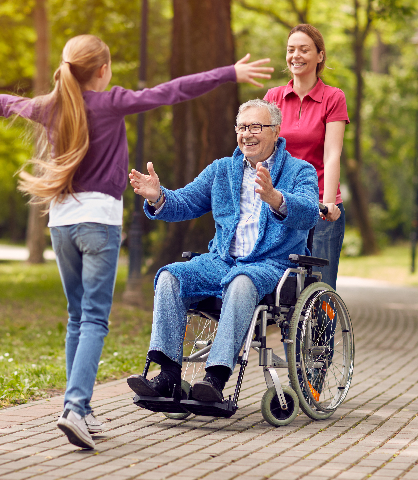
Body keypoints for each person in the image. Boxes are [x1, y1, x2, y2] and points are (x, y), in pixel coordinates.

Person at [0, 35, 273, 449]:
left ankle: (84, 410)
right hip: (98, 224)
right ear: (102, 70)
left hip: (61, 224)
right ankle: (75, 408)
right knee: (94, 319)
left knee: (77, 316)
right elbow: (170, 92)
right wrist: (230, 74)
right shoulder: (110, 101)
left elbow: (8, 103)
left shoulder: (51, 105)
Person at [126, 99, 318, 403]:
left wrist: (276, 198)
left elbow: (309, 214)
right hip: (221, 262)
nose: (247, 134)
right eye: (242, 127)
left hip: (269, 265)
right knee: (170, 277)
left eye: (256, 126)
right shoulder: (222, 170)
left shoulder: (299, 171)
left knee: (241, 281)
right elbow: (184, 203)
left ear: (275, 131)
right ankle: (168, 376)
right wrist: (157, 196)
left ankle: (214, 380)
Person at [264, 24, 349, 290]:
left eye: (304, 49)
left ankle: (323, 333)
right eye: (291, 50)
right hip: (283, 203)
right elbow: (263, 152)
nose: (296, 56)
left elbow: (332, 154)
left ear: (320, 56)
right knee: (280, 288)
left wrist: (327, 203)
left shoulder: (333, 98)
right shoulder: (273, 97)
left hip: (321, 206)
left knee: (320, 288)